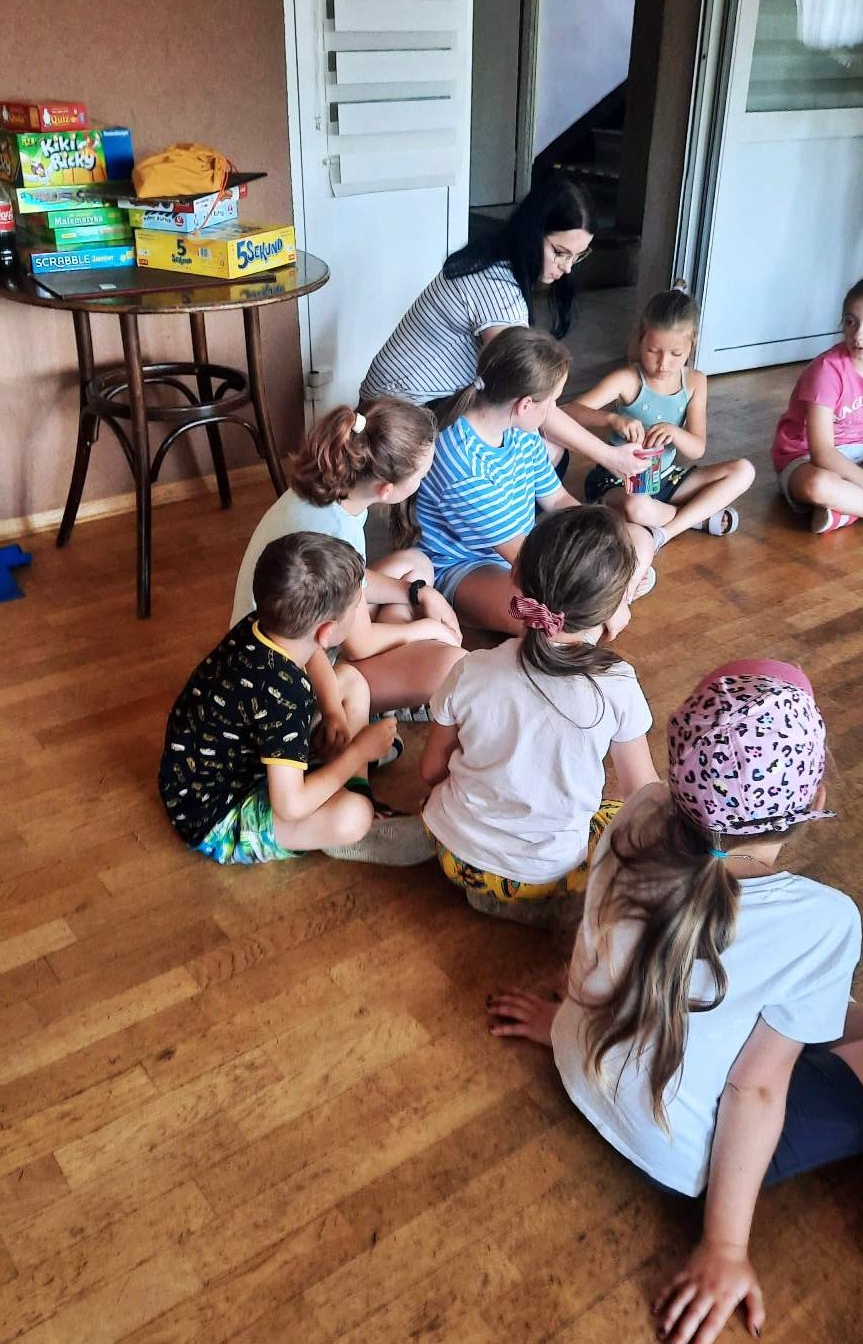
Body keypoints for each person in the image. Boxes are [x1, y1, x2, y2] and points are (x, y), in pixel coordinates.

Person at [487, 661, 863, 1344]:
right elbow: (755, 1089)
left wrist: (564, 1025)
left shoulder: (638, 810)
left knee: (838, 1017)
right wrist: (725, 1245)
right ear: (815, 798)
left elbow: (600, 939)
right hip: (680, 1150)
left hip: (582, 1062)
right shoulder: (825, 922)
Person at [420, 507, 658, 927]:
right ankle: (540, 906)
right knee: (613, 815)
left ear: (515, 574)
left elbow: (430, 771)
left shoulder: (470, 669)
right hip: (543, 875)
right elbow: (642, 793)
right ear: (615, 608)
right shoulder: (616, 685)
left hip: (452, 853)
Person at [358, 173, 650, 487]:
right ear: (533, 232)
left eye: (577, 256)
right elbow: (527, 392)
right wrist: (608, 455)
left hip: (405, 401)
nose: (567, 267)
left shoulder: (495, 255)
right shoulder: (498, 289)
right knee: (547, 454)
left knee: (531, 436)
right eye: (560, 252)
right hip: (400, 417)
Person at [160, 533, 431, 866]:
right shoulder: (286, 694)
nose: (360, 608)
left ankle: (344, 773)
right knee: (353, 814)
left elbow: (312, 652)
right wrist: (360, 751)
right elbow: (290, 806)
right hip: (216, 816)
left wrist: (333, 712)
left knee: (351, 681)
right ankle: (359, 808)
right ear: (326, 631)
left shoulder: (266, 624)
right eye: (356, 606)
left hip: (209, 769)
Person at [232, 398, 465, 717]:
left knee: (416, 565)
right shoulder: (338, 532)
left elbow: (356, 578)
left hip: (289, 632)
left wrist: (417, 592)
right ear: (386, 490)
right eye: (421, 477)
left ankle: (391, 679)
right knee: (450, 664)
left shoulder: (330, 489)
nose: (423, 482)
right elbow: (360, 645)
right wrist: (427, 629)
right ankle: (349, 709)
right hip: (292, 674)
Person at [415, 327, 656, 634]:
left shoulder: (520, 430)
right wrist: (604, 580)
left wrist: (601, 542)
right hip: (472, 567)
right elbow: (524, 559)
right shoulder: (462, 464)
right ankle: (609, 603)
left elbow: (557, 499)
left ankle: (611, 600)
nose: (553, 411)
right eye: (552, 402)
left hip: (528, 550)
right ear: (525, 405)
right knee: (553, 621)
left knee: (638, 538)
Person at [571, 286, 755, 547]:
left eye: (676, 354)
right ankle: (699, 517)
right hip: (620, 482)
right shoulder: (627, 379)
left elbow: (697, 449)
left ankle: (665, 532)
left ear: (691, 346)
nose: (663, 363)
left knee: (744, 471)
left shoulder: (695, 382)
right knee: (636, 507)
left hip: (668, 478)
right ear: (640, 340)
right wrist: (611, 420)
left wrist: (676, 433)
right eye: (653, 351)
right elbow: (570, 412)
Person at [771, 270, 863, 533]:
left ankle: (846, 510)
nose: (858, 334)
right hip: (807, 459)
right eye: (850, 322)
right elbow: (823, 453)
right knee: (818, 486)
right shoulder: (827, 370)